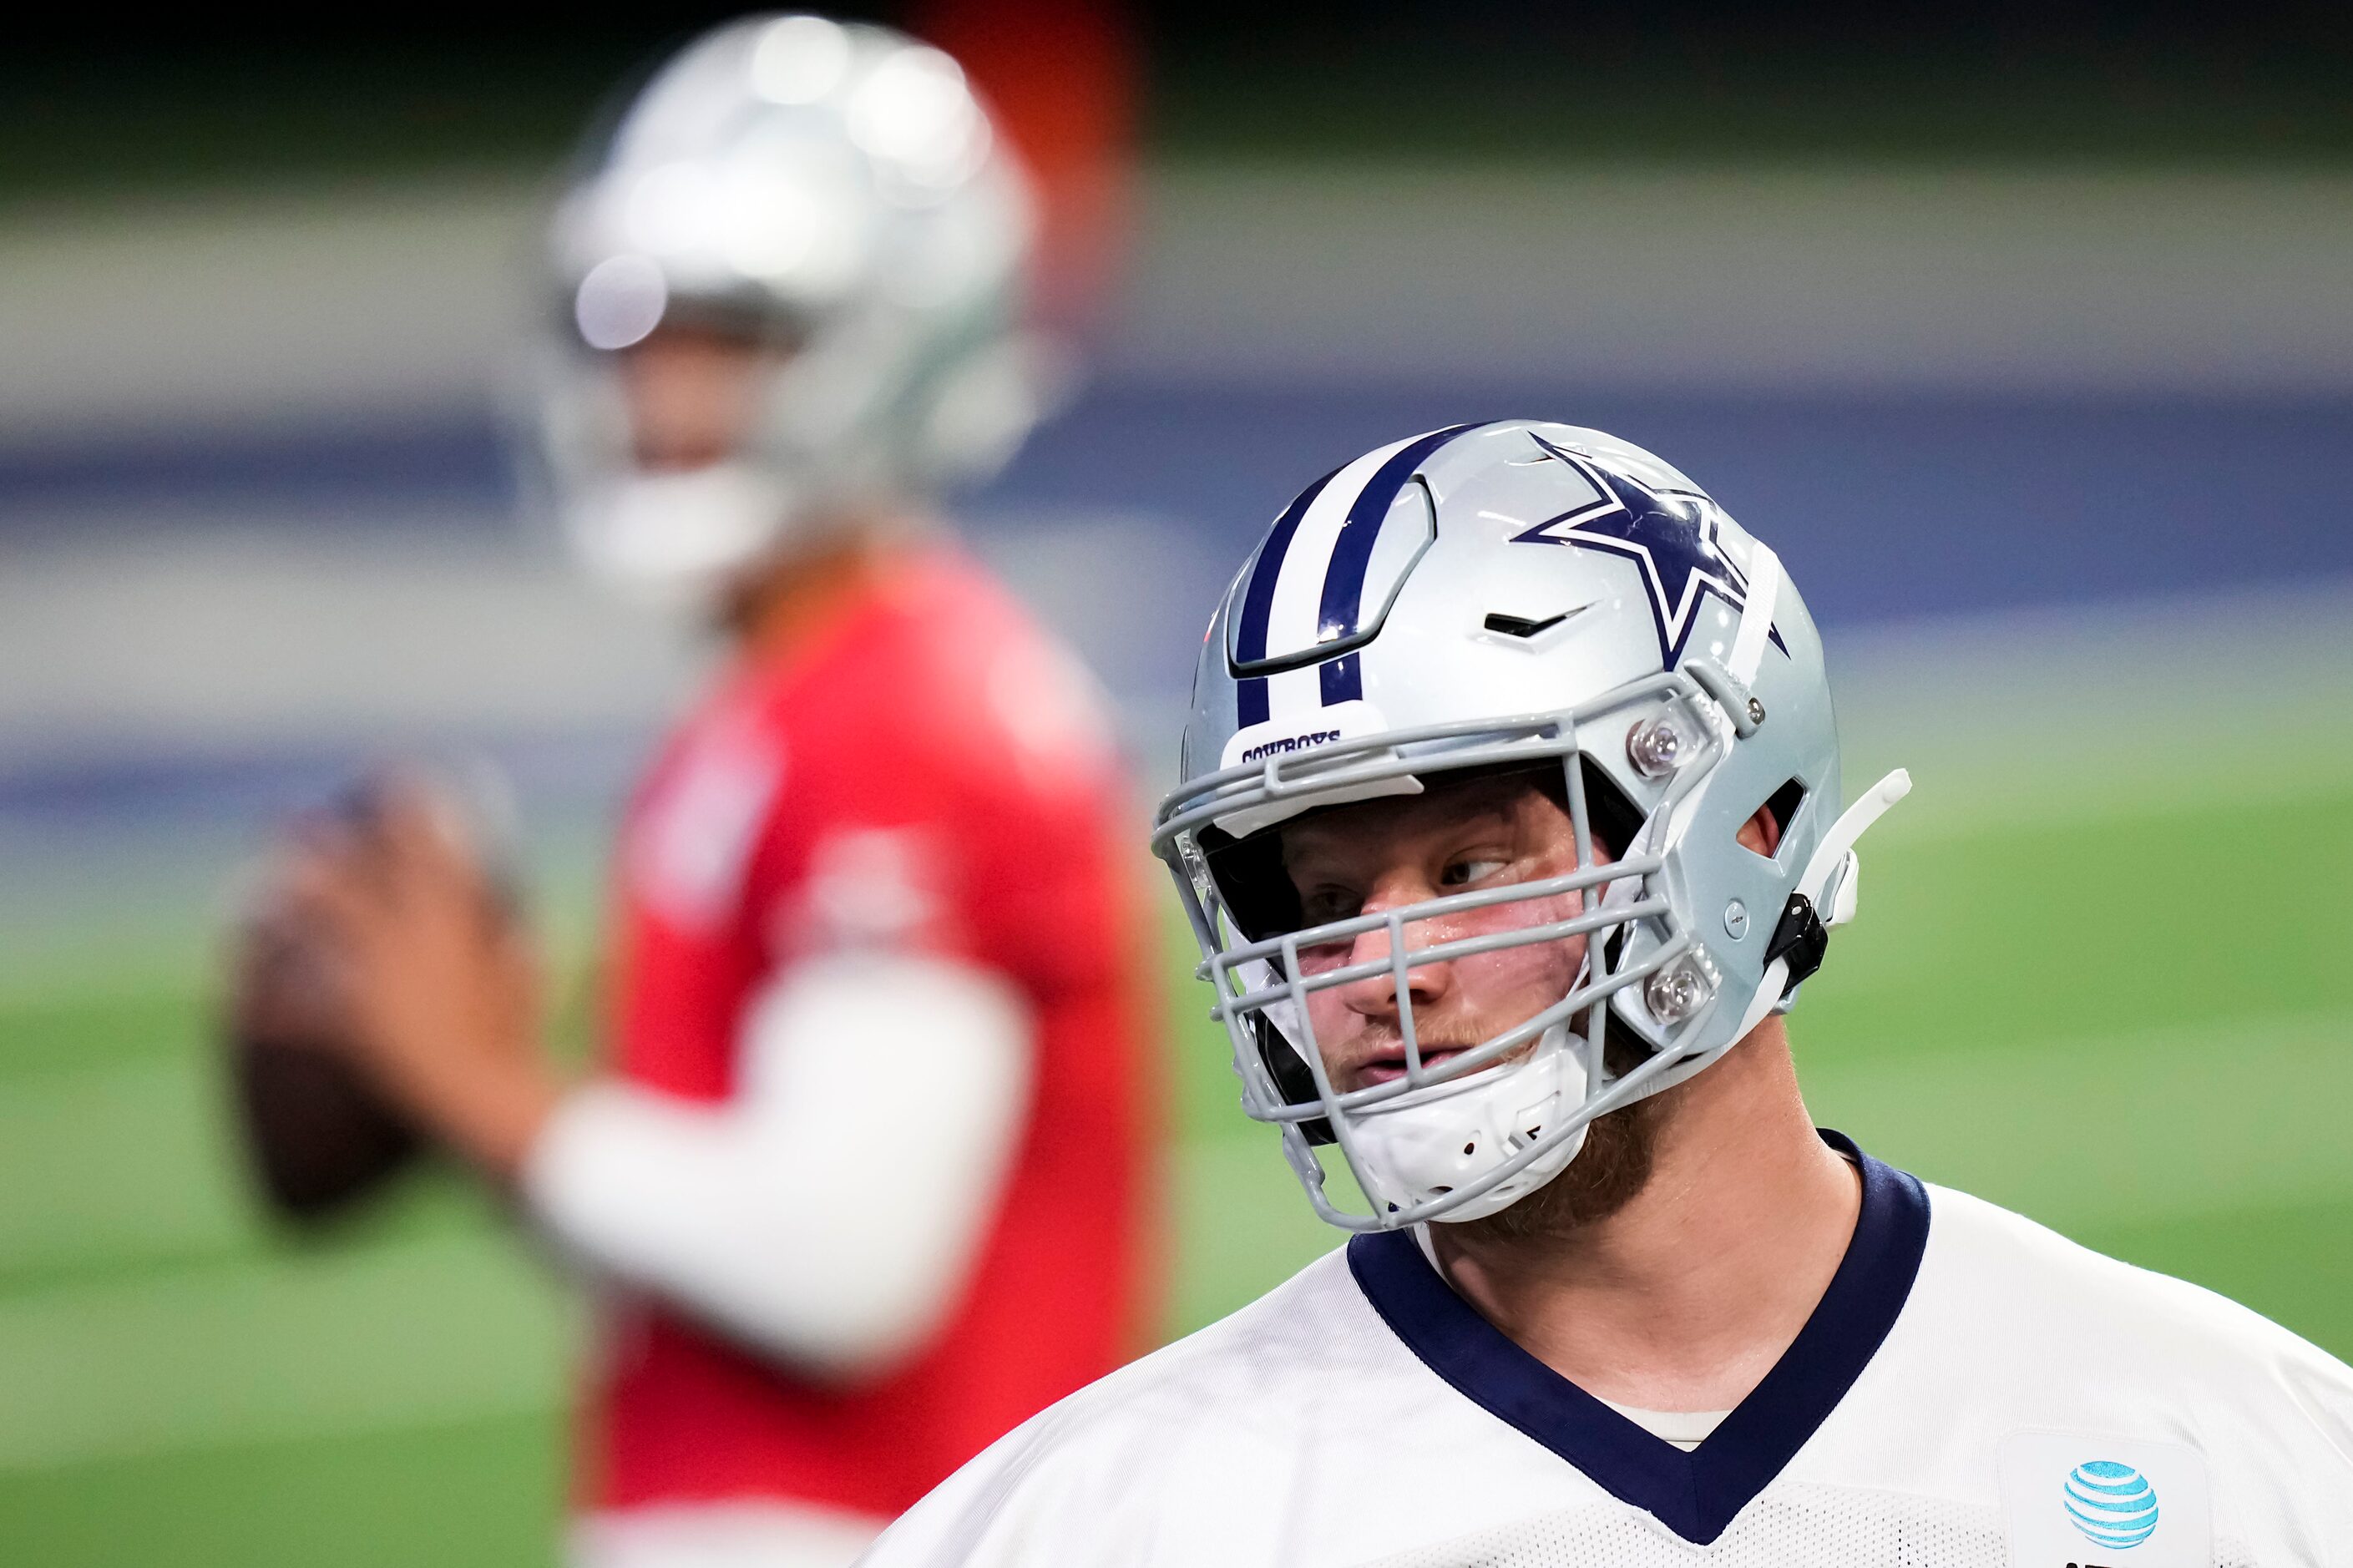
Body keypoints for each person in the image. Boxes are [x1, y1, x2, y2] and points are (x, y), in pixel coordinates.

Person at [858, 421, 2353, 1565]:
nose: (1392, 970)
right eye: (1318, 903)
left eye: (1468, 867)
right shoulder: (1090, 1525)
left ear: (1740, 828)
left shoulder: (2240, 1451)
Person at [264, 16, 1156, 1568]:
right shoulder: (772, 711)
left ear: (901, 345)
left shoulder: (904, 719)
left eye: (736, 337)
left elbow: (838, 1261)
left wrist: (479, 1087)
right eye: (641, 333)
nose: (665, 392)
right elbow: (703, 1252)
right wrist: (480, 1106)